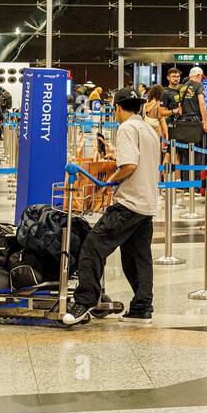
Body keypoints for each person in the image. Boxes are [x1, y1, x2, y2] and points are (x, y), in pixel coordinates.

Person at [63, 95, 161, 325]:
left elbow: (129, 164)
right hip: (146, 203)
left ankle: (84, 302)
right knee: (137, 257)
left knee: (93, 246)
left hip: (128, 203)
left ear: (117, 108)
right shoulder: (148, 130)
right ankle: (141, 308)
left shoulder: (127, 127)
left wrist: (109, 182)